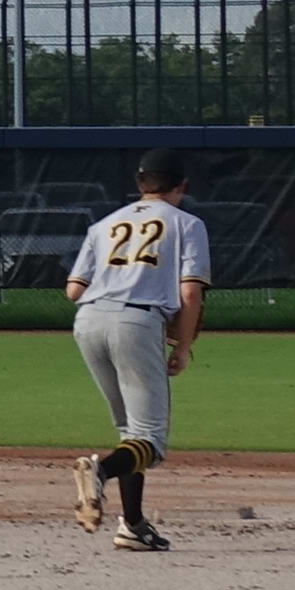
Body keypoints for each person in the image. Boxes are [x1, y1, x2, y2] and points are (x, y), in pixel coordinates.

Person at [66, 148, 210, 553]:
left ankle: (132, 524)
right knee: (152, 442)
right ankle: (100, 469)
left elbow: (73, 289)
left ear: (139, 184)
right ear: (181, 186)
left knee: (132, 433)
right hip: (136, 322)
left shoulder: (103, 224)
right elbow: (190, 291)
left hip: (88, 320)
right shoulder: (187, 223)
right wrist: (182, 346)